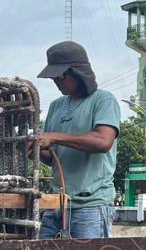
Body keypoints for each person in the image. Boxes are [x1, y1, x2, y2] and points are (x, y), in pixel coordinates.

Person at [34, 41, 121, 239]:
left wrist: (55, 137)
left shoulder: (103, 101)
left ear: (77, 72)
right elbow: (53, 156)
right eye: (53, 77)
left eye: (60, 76)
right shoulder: (56, 106)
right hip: (56, 205)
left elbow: (103, 141)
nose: (56, 81)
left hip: (90, 207)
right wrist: (37, 150)